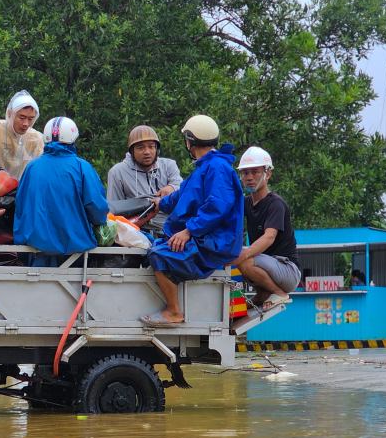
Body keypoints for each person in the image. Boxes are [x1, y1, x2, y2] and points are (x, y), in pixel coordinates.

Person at [141, 115, 243, 327]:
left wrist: (188, 231)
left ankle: (174, 311)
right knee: (154, 245)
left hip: (213, 243)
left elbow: (217, 206)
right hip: (204, 238)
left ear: (189, 141)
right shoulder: (206, 167)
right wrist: (160, 202)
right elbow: (183, 195)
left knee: (158, 254)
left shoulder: (217, 168)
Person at [13, 117, 108, 267]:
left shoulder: (32, 168)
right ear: (73, 138)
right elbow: (97, 209)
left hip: (36, 250)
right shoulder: (82, 167)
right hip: (75, 253)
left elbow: (21, 206)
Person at [231, 146, 300, 311]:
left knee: (244, 259)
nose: (249, 177)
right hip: (267, 265)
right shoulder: (247, 202)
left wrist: (243, 254)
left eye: (255, 172)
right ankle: (262, 294)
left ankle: (279, 293)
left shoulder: (275, 203)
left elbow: (269, 237)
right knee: (232, 255)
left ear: (267, 174)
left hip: (287, 270)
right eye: (245, 173)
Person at [106, 125, 183, 233]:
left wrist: (172, 187)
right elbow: (113, 210)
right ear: (131, 151)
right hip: (136, 232)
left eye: (151, 146)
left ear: (157, 149)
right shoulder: (117, 172)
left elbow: (183, 189)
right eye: (140, 147)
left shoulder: (169, 165)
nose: (147, 152)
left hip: (169, 230)